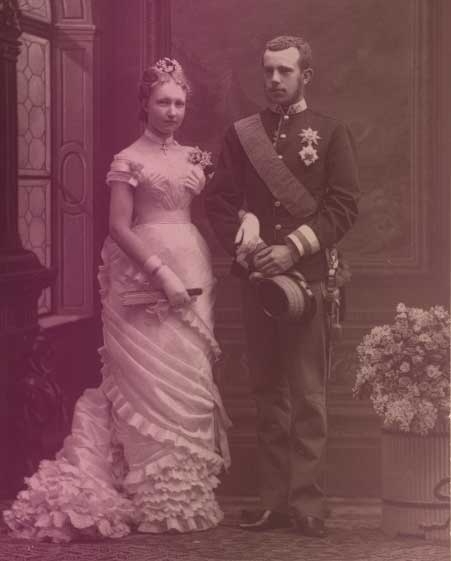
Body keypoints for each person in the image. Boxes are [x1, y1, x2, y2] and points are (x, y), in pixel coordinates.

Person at [3, 57, 231, 542]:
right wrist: (160, 272)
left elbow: (221, 209)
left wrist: (220, 203)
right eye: (163, 102)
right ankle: (150, 495)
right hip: (146, 273)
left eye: (179, 103)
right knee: (149, 383)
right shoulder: (128, 159)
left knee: (188, 378)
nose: (172, 111)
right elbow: (118, 228)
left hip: (195, 265)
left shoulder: (196, 158)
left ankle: (185, 495)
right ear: (145, 104)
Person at [205, 35, 360, 538]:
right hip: (256, 279)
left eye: (285, 71)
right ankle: (271, 501)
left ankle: (307, 503)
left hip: (308, 279)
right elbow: (220, 200)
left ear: (305, 76)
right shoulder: (241, 134)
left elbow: (343, 206)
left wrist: (293, 247)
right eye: (268, 70)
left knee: (309, 395)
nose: (274, 79)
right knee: (267, 391)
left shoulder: (331, 132)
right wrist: (244, 236)